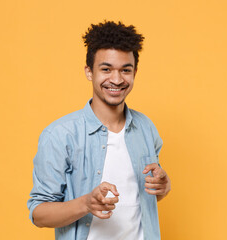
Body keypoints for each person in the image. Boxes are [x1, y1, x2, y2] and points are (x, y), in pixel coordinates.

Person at [27, 21, 171, 240]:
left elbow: (143, 196)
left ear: (134, 73)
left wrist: (164, 185)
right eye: (106, 69)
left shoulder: (145, 128)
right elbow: (39, 214)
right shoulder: (59, 135)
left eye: (126, 70)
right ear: (89, 72)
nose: (116, 79)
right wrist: (86, 203)